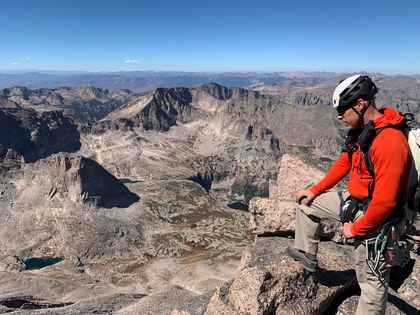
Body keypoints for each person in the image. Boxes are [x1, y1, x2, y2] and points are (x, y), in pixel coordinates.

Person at [287, 74, 411, 315]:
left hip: (378, 220)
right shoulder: (362, 131)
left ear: (361, 104)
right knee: (306, 205)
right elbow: (343, 164)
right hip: (355, 203)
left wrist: (356, 230)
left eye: (343, 109)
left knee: (372, 286)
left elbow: (386, 203)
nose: (339, 116)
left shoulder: (389, 142)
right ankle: (307, 257)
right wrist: (315, 191)